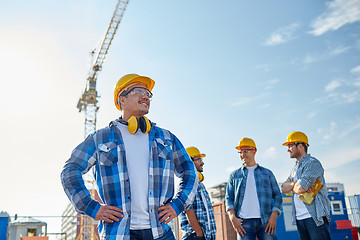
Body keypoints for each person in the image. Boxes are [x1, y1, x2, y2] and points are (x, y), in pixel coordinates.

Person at [61, 74, 198, 240]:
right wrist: (91, 207)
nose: (146, 96)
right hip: (118, 234)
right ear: (122, 100)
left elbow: (189, 171)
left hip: (161, 234)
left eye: (148, 93)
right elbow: (70, 170)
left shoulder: (167, 138)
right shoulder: (100, 138)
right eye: (138, 91)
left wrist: (178, 204)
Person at [225, 137, 282, 240]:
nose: (243, 155)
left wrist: (274, 215)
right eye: (240, 152)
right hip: (243, 223)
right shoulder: (234, 175)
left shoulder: (267, 173)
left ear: (254, 151)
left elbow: (278, 195)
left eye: (246, 151)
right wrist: (232, 217)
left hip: (266, 221)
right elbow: (229, 198)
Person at [281, 131, 331, 240]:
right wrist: (296, 183)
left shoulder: (312, 163)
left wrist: (294, 186)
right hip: (300, 218)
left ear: (300, 146)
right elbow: (283, 188)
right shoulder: (294, 168)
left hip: (314, 217)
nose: (288, 149)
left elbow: (300, 188)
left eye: (290, 145)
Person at [179, 147, 217, 240]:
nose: (202, 162)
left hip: (206, 236)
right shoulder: (188, 182)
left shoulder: (200, 184)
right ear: (190, 162)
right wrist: (199, 233)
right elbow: (188, 209)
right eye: (199, 159)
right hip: (195, 236)